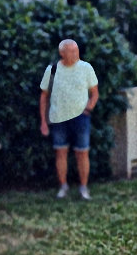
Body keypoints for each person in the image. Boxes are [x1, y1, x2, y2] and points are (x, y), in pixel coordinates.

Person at [39, 39, 99, 200]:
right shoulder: (52, 70)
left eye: (76, 50)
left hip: (81, 118)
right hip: (58, 118)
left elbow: (94, 93)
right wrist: (43, 121)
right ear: (62, 53)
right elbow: (44, 96)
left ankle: (84, 188)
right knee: (60, 152)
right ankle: (63, 186)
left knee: (82, 153)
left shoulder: (86, 68)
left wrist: (88, 108)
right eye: (71, 51)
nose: (75, 54)